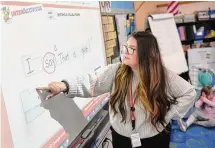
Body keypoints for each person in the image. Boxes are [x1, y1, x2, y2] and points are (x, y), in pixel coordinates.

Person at [43, 31, 196, 148]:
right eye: (126, 47)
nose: (125, 52)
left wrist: (169, 115)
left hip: (154, 139)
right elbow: (92, 82)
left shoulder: (162, 75)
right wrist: (65, 85)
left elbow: (189, 93)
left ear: (146, 54)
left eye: (132, 49)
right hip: (122, 138)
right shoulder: (117, 72)